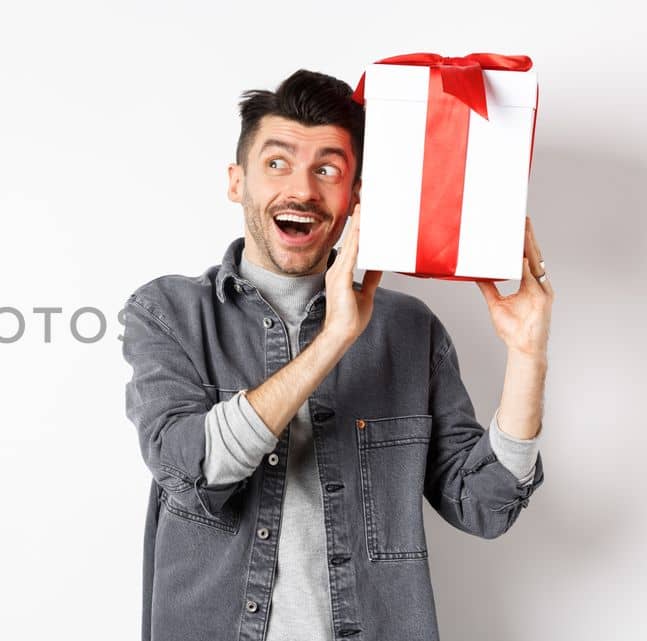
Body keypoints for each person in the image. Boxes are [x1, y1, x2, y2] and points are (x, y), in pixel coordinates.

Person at [120, 69, 553, 641]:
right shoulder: (168, 313)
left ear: (356, 197)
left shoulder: (410, 330)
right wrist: (333, 340)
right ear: (236, 181)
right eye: (277, 164)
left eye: (327, 170)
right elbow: (193, 474)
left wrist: (528, 355)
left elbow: (483, 506)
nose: (301, 190)